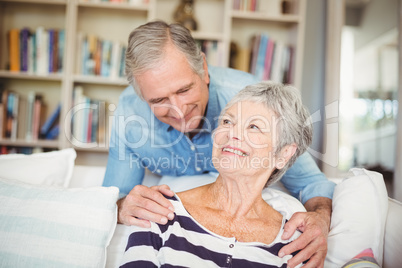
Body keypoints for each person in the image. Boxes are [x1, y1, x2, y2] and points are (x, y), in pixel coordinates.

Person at [103, 20, 335, 267]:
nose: (178, 110)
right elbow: (114, 196)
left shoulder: (248, 99)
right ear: (141, 95)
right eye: (159, 99)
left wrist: (320, 218)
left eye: (184, 90)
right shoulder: (129, 114)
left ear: (203, 67)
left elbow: (311, 182)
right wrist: (121, 206)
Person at [120, 81, 312, 267]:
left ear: (283, 154)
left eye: (254, 127)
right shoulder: (160, 210)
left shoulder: (293, 241)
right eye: (227, 121)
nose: (233, 134)